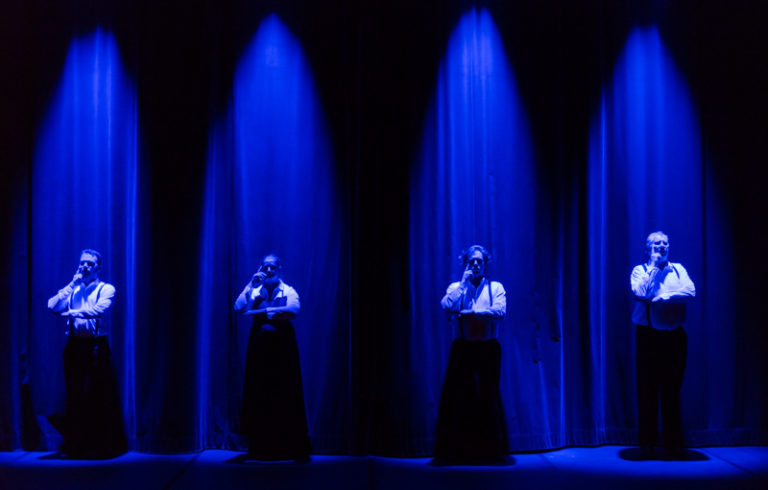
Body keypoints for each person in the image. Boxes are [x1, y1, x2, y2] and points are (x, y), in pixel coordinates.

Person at [47, 249, 126, 458]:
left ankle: (100, 446)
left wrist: (73, 313)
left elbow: (99, 309)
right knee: (74, 395)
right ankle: (76, 445)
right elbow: (52, 306)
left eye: (89, 264)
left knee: (98, 395)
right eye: (82, 263)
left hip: (96, 346)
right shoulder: (74, 289)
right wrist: (72, 285)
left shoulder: (106, 288)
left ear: (98, 268)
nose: (84, 267)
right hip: (74, 345)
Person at [434, 245, 508, 464]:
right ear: (465, 264)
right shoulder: (457, 287)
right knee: (462, 397)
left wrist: (476, 313)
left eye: (479, 261)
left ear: (485, 264)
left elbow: (501, 310)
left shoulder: (495, 287)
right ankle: (462, 451)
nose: (475, 265)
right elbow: (447, 306)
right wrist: (463, 284)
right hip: (464, 348)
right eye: (471, 261)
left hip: (488, 348)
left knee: (488, 396)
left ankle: (491, 452)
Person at [234, 254, 310, 462]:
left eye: (272, 268)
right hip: (259, 348)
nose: (268, 271)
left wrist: (266, 311)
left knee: (284, 391)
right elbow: (239, 307)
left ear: (279, 269)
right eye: (265, 267)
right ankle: (260, 445)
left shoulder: (288, 290)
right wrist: (251, 284)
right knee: (259, 391)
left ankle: (286, 444)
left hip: (283, 349)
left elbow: (293, 310)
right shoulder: (255, 289)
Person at [630, 231, 695, 458]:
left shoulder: (679, 270)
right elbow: (640, 293)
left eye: (665, 243)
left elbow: (690, 291)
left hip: (675, 337)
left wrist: (665, 298)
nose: (662, 247)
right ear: (648, 249)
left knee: (672, 392)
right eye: (657, 244)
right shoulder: (640, 271)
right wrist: (655, 268)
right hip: (648, 337)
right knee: (647, 391)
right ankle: (646, 444)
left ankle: (672, 444)